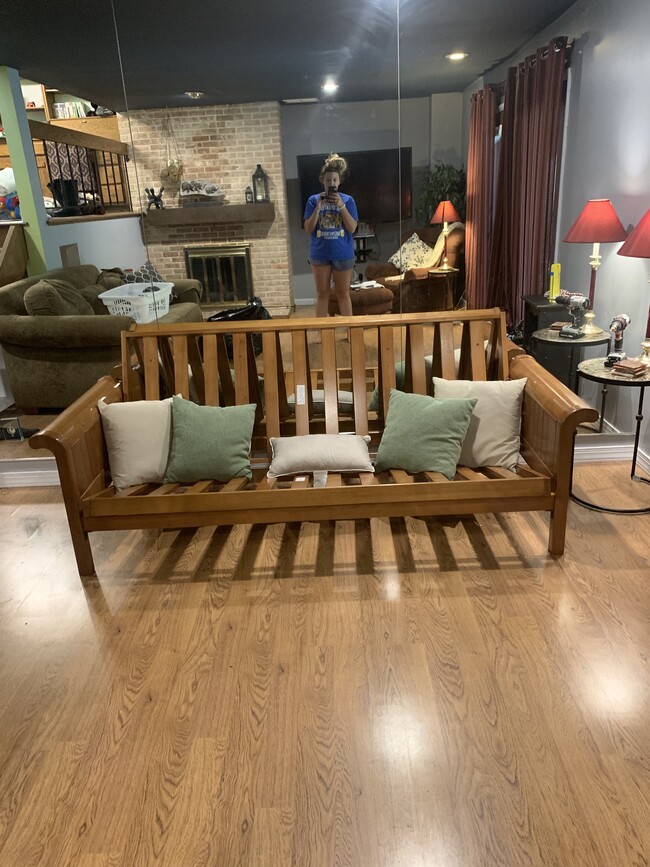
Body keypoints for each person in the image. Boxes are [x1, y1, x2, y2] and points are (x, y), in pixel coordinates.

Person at [303, 153, 358, 317]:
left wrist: (341, 206)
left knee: (343, 294)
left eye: (334, 180)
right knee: (322, 294)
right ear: (323, 181)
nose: (331, 183)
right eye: (328, 180)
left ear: (339, 181)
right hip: (320, 254)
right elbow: (308, 228)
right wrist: (318, 208)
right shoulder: (313, 200)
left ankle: (350, 334)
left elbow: (352, 227)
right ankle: (322, 335)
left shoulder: (348, 201)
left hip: (343, 254)